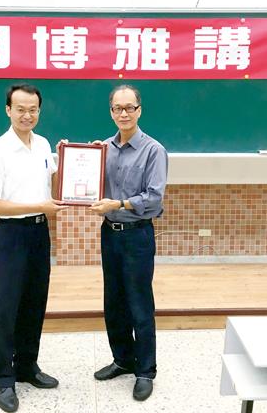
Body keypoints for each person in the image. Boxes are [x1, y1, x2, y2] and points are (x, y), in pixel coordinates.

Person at [0, 83, 66, 413]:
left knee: (34, 302)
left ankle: (27, 366)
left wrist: (72, 159)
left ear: (39, 111)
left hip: (39, 233)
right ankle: (4, 378)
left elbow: (55, 183)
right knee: (7, 309)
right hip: (10, 236)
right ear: (8, 110)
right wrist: (39, 205)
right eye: (20, 109)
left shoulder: (43, 144)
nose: (26, 115)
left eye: (32, 110)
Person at [89, 84, 168, 402]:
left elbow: (154, 198)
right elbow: (88, 182)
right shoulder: (103, 148)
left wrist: (119, 204)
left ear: (139, 110)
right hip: (110, 233)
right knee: (114, 302)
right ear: (111, 112)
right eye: (117, 108)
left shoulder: (153, 150)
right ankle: (123, 359)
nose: (124, 113)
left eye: (129, 107)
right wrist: (80, 156)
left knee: (139, 304)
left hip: (137, 235)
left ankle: (145, 371)